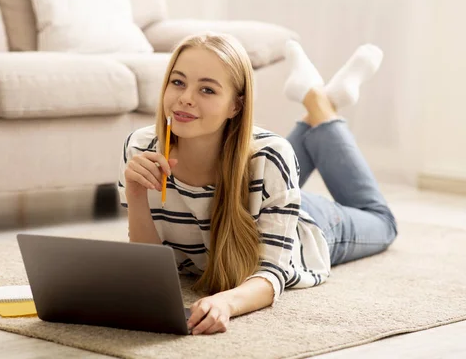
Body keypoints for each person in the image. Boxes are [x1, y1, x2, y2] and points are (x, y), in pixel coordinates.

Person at [117, 33, 397, 336]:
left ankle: (317, 101)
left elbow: (272, 273)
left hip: (308, 225)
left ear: (235, 107)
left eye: (207, 89)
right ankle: (323, 99)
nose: (186, 97)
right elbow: (150, 266)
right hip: (261, 191)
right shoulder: (141, 148)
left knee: (382, 221)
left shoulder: (272, 156)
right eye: (178, 82)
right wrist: (135, 193)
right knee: (263, 162)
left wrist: (225, 303)